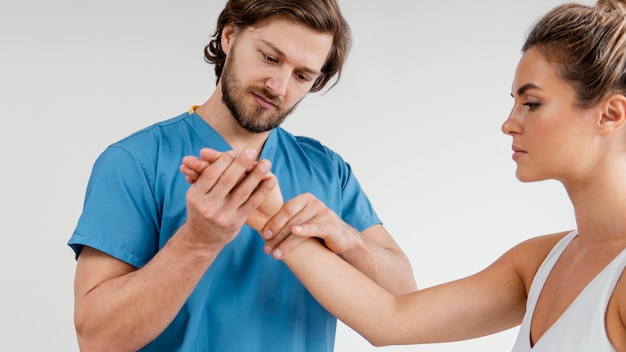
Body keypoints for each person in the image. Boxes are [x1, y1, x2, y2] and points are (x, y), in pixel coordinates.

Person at [185, 0, 626, 351]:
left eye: (531, 103)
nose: (509, 123)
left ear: (610, 114)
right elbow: (391, 319)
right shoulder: (539, 263)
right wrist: (268, 215)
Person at [67, 0, 417, 351]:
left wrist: (348, 239)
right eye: (269, 58)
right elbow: (97, 338)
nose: (279, 87)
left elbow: (404, 300)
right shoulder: (135, 162)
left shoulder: (328, 170)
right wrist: (198, 241)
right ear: (230, 36)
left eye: (302, 76)